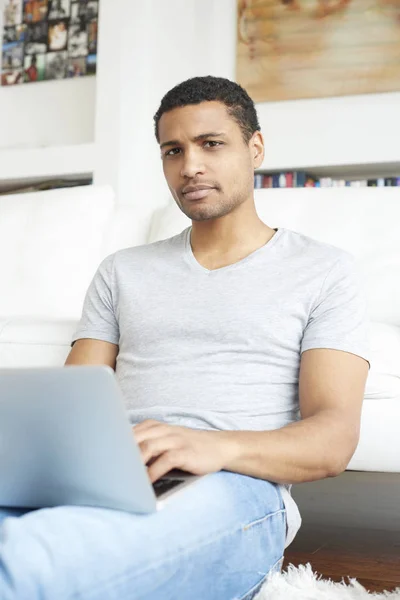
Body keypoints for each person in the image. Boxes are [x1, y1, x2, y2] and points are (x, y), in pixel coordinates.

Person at [0, 76, 370, 599]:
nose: (190, 165)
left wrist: (211, 445)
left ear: (255, 147)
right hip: (109, 471)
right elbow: (69, 410)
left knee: (28, 562)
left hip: (234, 488)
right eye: (173, 150)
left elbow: (334, 440)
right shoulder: (122, 271)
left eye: (211, 144)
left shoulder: (325, 271)